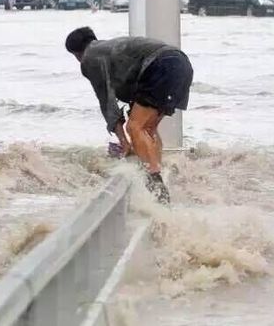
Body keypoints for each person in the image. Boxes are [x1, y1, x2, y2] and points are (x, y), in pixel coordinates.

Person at [65, 27, 194, 204]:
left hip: (160, 65)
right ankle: (158, 174)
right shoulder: (110, 49)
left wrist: (124, 142)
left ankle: (155, 183)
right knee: (148, 128)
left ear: (76, 53)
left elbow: (106, 101)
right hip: (181, 64)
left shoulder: (90, 57)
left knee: (134, 127)